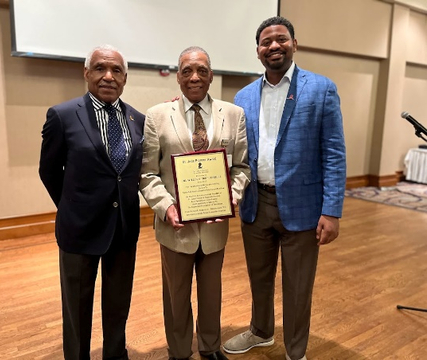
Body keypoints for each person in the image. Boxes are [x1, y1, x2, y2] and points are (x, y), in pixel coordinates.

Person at [222, 16, 346, 360]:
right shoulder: (243, 95)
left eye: (280, 39)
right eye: (266, 42)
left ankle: (296, 352)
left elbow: (334, 152)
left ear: (294, 44)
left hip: (304, 207)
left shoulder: (321, 89)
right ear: (258, 52)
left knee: (298, 286)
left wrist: (331, 211)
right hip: (255, 203)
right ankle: (261, 332)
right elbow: (232, 146)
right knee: (258, 278)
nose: (273, 46)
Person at [140, 46, 250, 360]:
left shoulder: (233, 114)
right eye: (187, 70)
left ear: (211, 75)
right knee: (176, 295)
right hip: (175, 226)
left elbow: (242, 168)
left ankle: (210, 346)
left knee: (211, 292)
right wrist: (166, 206)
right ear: (178, 76)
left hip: (215, 225)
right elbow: (148, 173)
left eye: (202, 70)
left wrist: (231, 197)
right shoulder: (157, 116)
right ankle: (178, 351)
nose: (195, 77)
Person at [39, 44, 145, 360]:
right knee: (77, 307)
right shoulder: (62, 116)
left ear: (125, 78)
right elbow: (48, 171)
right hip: (79, 231)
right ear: (86, 73)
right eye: (100, 68)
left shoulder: (137, 119)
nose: (108, 76)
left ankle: (115, 353)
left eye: (116, 71)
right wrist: (73, 207)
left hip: (124, 230)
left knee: (118, 304)